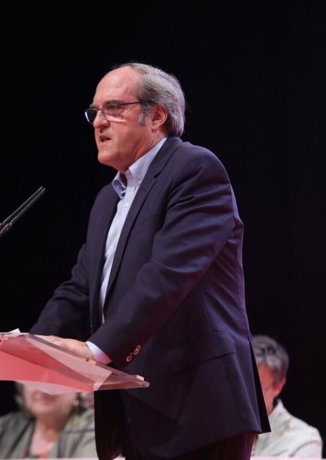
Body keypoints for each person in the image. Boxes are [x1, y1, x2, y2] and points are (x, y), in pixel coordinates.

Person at [29, 61, 269, 460]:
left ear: (156, 115)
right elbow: (81, 287)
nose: (98, 123)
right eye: (94, 112)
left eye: (113, 109)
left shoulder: (194, 169)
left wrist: (95, 350)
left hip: (198, 409)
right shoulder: (108, 198)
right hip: (135, 413)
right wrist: (31, 347)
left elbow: (168, 276)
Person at [251, 334, 323, 457]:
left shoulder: (304, 440)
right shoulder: (216, 431)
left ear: (278, 386)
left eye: (256, 389)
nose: (245, 397)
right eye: (242, 387)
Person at [0, 382, 96, 459]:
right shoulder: (2, 429)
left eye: (55, 375)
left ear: (79, 387)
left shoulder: (93, 429)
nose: (43, 387)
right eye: (33, 377)